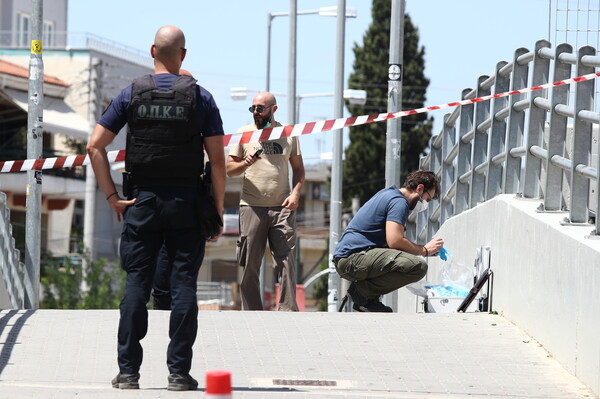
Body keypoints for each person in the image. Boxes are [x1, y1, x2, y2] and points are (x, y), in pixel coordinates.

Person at [86, 26, 225, 391]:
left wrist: (111, 197)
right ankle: (178, 374)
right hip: (186, 204)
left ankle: (128, 373)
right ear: (183, 55)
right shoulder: (201, 98)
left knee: (136, 285)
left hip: (140, 202)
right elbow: (218, 161)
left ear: (152, 51)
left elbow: (94, 147)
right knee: (183, 288)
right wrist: (217, 209)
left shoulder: (131, 92)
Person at [227, 91, 305, 311]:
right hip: (251, 206)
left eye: (260, 108)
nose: (256, 112)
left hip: (282, 207)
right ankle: (252, 312)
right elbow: (230, 170)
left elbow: (298, 170)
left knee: (286, 261)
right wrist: (245, 163)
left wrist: (296, 194)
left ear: (274, 109)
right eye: (253, 108)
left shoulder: (289, 133)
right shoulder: (244, 133)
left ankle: (288, 310)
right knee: (249, 264)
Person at [333, 170, 444, 312]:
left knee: (403, 259)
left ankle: (367, 300)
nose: (425, 205)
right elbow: (395, 240)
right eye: (427, 199)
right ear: (420, 189)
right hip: (351, 258)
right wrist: (424, 250)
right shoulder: (399, 202)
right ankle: (362, 293)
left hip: (350, 257)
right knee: (417, 267)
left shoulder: (388, 194)